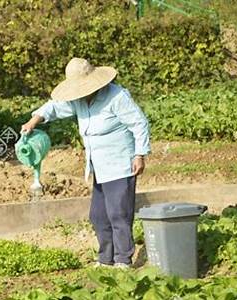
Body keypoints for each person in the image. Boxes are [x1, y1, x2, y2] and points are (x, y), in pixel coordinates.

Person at [21, 58, 151, 268]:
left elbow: (139, 123)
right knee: (98, 216)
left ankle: (123, 260)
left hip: (120, 163)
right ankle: (106, 259)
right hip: (99, 166)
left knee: (119, 213)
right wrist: (34, 120)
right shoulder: (79, 100)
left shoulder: (116, 96)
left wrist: (140, 154)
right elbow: (54, 107)